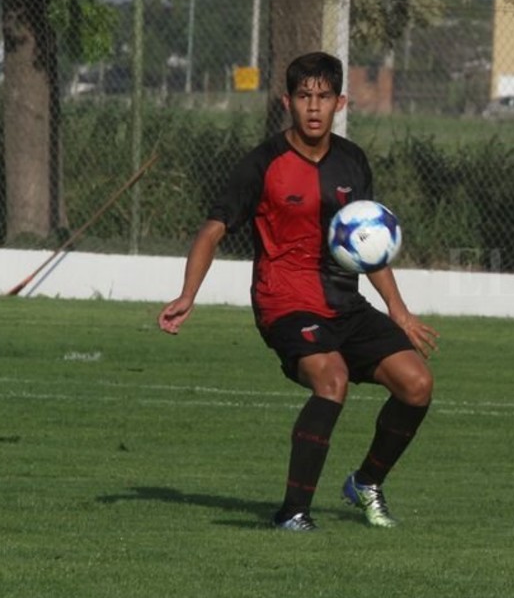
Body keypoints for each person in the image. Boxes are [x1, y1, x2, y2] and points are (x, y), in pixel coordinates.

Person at [158, 52, 438, 531]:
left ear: (340, 102)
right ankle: (292, 512)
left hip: (344, 304)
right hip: (284, 302)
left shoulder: (353, 161)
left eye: (324, 97)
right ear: (287, 101)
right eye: (304, 96)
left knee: (417, 385)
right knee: (333, 379)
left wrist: (399, 310)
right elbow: (211, 231)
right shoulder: (261, 164)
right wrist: (188, 294)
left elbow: (367, 242)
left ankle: (366, 482)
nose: (314, 107)